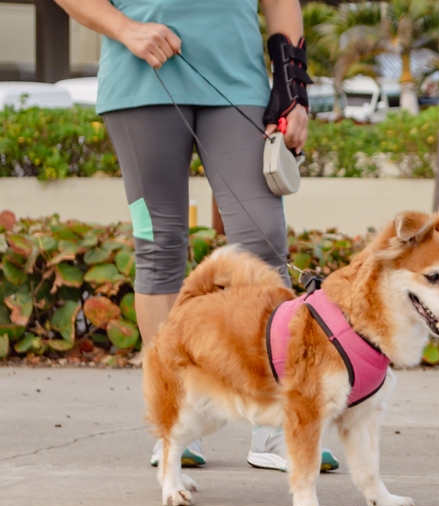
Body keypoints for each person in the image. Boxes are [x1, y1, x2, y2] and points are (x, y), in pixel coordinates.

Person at [53, 0, 338, 472]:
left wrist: (293, 88)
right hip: (140, 78)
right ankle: (177, 415)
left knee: (263, 241)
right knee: (158, 244)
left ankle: (274, 418)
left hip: (236, 81)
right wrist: (125, 29)